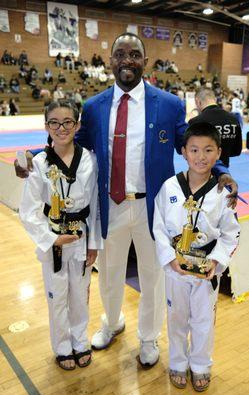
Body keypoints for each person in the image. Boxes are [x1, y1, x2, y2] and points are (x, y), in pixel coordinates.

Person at [15, 33, 237, 369]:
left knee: (152, 275)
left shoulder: (170, 104)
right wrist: (33, 156)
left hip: (152, 206)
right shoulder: (93, 107)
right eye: (120, 54)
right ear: (110, 62)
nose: (127, 60)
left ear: (145, 61)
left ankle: (148, 338)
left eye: (134, 54)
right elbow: (68, 143)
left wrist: (220, 170)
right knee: (109, 274)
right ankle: (111, 321)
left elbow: (192, 143)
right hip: (110, 204)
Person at [153, 122, 240, 392]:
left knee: (203, 321)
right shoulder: (169, 187)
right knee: (176, 317)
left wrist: (216, 262)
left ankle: (201, 365)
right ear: (183, 152)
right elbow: (158, 226)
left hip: (206, 270)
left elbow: (230, 234)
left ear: (218, 154)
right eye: (194, 150)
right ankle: (178, 361)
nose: (201, 156)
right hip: (176, 268)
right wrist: (169, 259)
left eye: (208, 150)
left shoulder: (223, 193)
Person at [19, 100, 102, 371]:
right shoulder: (39, 163)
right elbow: (28, 211)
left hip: (80, 236)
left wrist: (94, 243)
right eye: (54, 122)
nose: (61, 128)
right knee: (57, 296)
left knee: (80, 295)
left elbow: (95, 204)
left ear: (77, 125)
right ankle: (62, 346)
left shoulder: (90, 160)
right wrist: (50, 237)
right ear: (46, 126)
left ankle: (80, 341)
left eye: (68, 122)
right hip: (53, 238)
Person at [189, 88, 242, 167]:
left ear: (198, 101)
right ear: (215, 99)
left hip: (202, 170)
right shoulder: (233, 119)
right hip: (224, 170)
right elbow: (236, 151)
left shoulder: (195, 122)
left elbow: (190, 151)